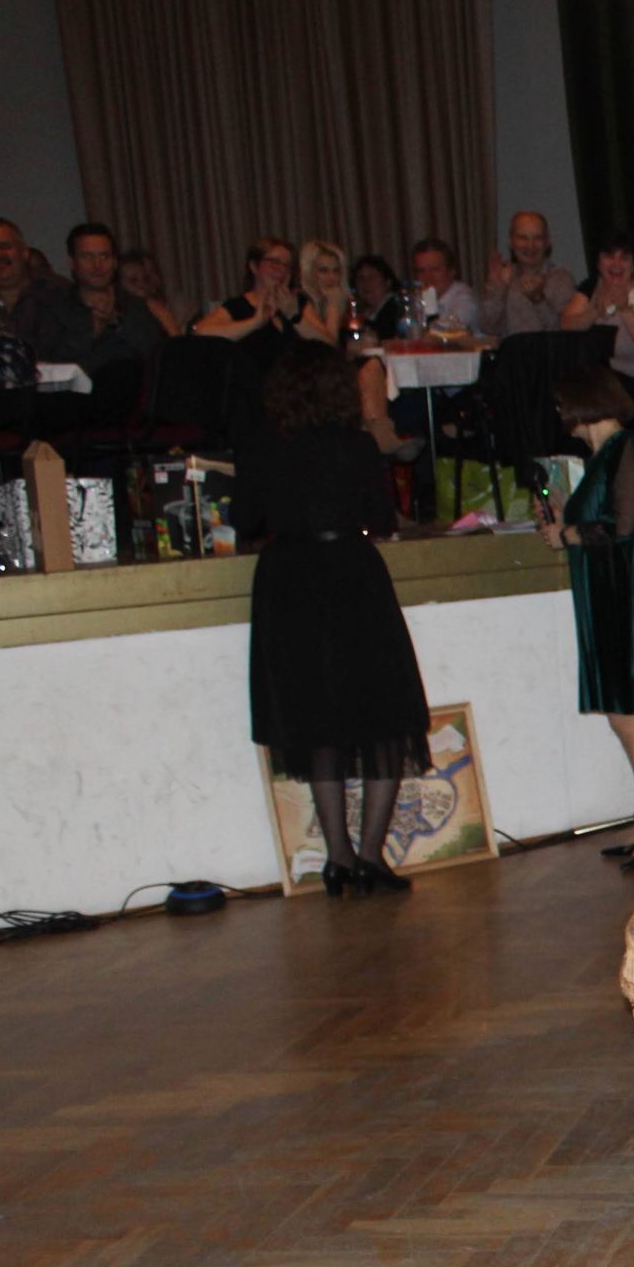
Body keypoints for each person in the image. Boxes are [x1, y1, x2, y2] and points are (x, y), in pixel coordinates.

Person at [236, 343, 432, 898]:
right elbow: (380, 518)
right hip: (350, 574)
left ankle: (338, 859)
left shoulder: (263, 444)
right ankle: (371, 857)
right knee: (382, 714)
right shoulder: (357, 444)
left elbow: (245, 517)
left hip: (288, 580)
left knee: (316, 717)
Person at [534, 367, 634, 868]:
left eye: (563, 403)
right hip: (613, 593)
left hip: (629, 594)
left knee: (629, 716)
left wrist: (567, 535)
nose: (560, 413)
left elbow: (624, 525)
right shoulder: (602, 456)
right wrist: (564, 521)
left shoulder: (627, 448)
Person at [13, 222, 166, 421]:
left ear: (114, 262)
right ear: (72, 262)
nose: (97, 265)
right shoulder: (53, 306)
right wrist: (91, 332)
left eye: (104, 257)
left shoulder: (133, 305)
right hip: (73, 403)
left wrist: (117, 323)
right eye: (88, 257)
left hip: (130, 399)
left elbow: (157, 353)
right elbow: (48, 366)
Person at [295, 239, 419, 461]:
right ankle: (380, 438)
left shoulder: (332, 303)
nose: (331, 278)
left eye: (336, 271)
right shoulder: (301, 302)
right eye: (323, 270)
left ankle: (381, 434)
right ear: (308, 272)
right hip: (304, 374)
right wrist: (334, 308)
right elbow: (327, 344)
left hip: (328, 371)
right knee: (370, 369)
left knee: (372, 366)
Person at [193, 235, 301, 370]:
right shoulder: (239, 306)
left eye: (287, 265)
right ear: (254, 267)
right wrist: (255, 323)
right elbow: (201, 331)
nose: (281, 270)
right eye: (274, 262)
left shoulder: (297, 303)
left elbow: (321, 342)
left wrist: (294, 316)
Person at [568, 232, 634, 381]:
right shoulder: (590, 287)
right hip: (592, 377)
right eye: (609, 256)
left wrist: (625, 310)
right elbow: (566, 328)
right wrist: (596, 310)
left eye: (624, 258)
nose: (616, 264)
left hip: (630, 380)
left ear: (633, 265)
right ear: (598, 262)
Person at [479, 210, 583, 336]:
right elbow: (487, 328)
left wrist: (539, 300)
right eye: (523, 238)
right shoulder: (504, 276)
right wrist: (497, 289)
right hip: (511, 348)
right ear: (510, 242)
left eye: (537, 238)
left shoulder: (561, 279)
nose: (530, 246)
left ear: (547, 242)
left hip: (547, 348)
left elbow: (566, 330)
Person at [406, 237, 481, 334]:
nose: (428, 277)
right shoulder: (416, 299)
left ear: (451, 271)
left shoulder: (465, 299)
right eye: (421, 271)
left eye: (435, 269)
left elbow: (450, 328)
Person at [115, 247, 182, 336]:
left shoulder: (154, 308)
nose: (142, 285)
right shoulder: (120, 316)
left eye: (145, 279)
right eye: (133, 280)